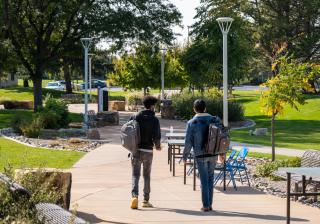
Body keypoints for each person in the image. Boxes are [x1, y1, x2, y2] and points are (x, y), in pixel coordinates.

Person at [182, 99, 222, 212]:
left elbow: (188, 142)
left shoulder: (191, 123)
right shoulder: (215, 119)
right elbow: (222, 136)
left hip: (200, 155)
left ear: (194, 109)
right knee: (210, 178)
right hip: (213, 153)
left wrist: (185, 157)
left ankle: (206, 205)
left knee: (204, 180)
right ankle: (209, 204)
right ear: (205, 108)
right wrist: (222, 153)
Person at [130, 96, 161, 209]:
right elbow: (156, 136)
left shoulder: (135, 116)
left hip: (136, 150)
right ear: (152, 106)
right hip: (148, 151)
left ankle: (134, 196)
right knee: (146, 175)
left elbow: (129, 131)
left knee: (135, 175)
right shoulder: (154, 119)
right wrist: (158, 146)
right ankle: (145, 200)